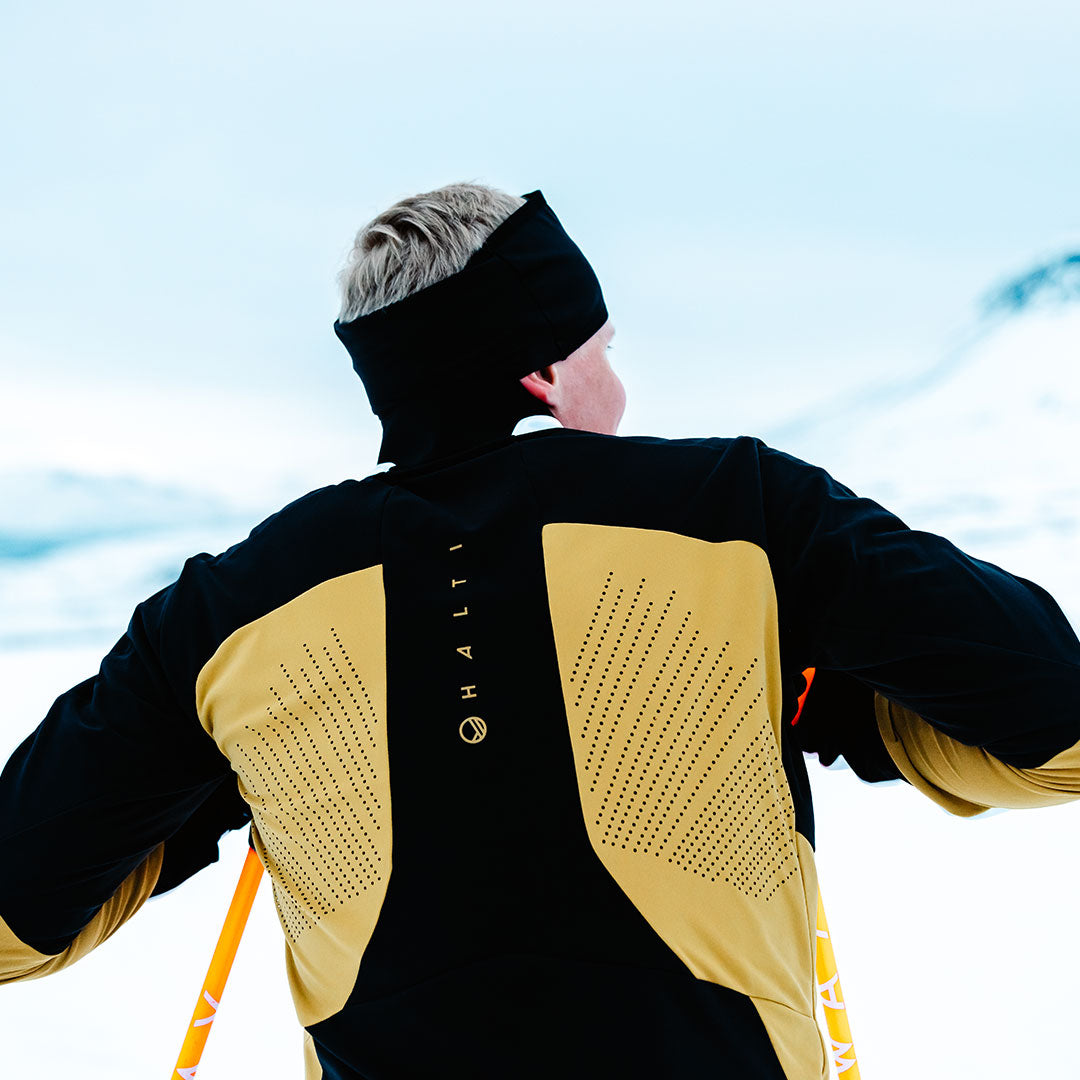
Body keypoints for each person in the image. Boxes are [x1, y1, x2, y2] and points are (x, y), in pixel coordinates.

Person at [2, 182, 1079, 1080]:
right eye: (606, 349)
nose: (622, 384)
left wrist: (226, 777)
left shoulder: (229, 613)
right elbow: (1059, 723)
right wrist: (840, 701)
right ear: (546, 372)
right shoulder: (742, 513)